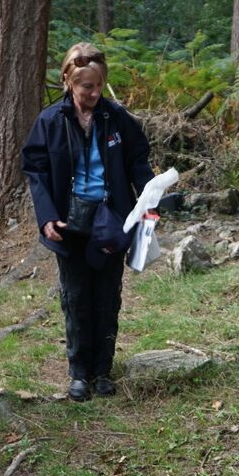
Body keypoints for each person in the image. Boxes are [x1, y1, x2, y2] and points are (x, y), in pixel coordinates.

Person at [22, 44, 154, 402]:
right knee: (76, 296)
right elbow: (35, 170)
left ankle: (103, 371)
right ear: (68, 81)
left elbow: (139, 161)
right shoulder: (50, 120)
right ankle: (79, 373)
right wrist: (47, 216)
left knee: (107, 296)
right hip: (69, 225)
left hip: (111, 221)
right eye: (86, 88)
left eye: (98, 86)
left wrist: (148, 200)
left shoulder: (117, 118)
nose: (94, 94)